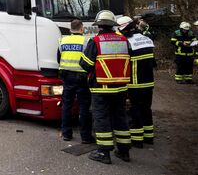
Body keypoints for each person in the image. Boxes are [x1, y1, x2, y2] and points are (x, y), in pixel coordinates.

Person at [80, 10, 131, 164]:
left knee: (101, 118)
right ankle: (124, 151)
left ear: (99, 25)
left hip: (101, 88)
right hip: (121, 88)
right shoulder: (124, 40)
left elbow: (85, 65)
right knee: (120, 117)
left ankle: (104, 152)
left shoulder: (95, 41)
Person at [117, 16, 156, 148]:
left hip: (135, 83)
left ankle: (137, 140)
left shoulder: (127, 42)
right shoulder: (147, 39)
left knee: (135, 110)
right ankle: (149, 137)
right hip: (149, 82)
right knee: (146, 109)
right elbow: (153, 63)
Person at [58, 19, 93, 144]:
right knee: (84, 107)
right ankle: (86, 137)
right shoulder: (86, 41)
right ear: (82, 28)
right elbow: (90, 61)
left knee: (67, 106)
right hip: (82, 78)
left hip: (66, 77)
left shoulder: (62, 40)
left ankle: (66, 134)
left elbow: (59, 58)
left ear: (70, 29)